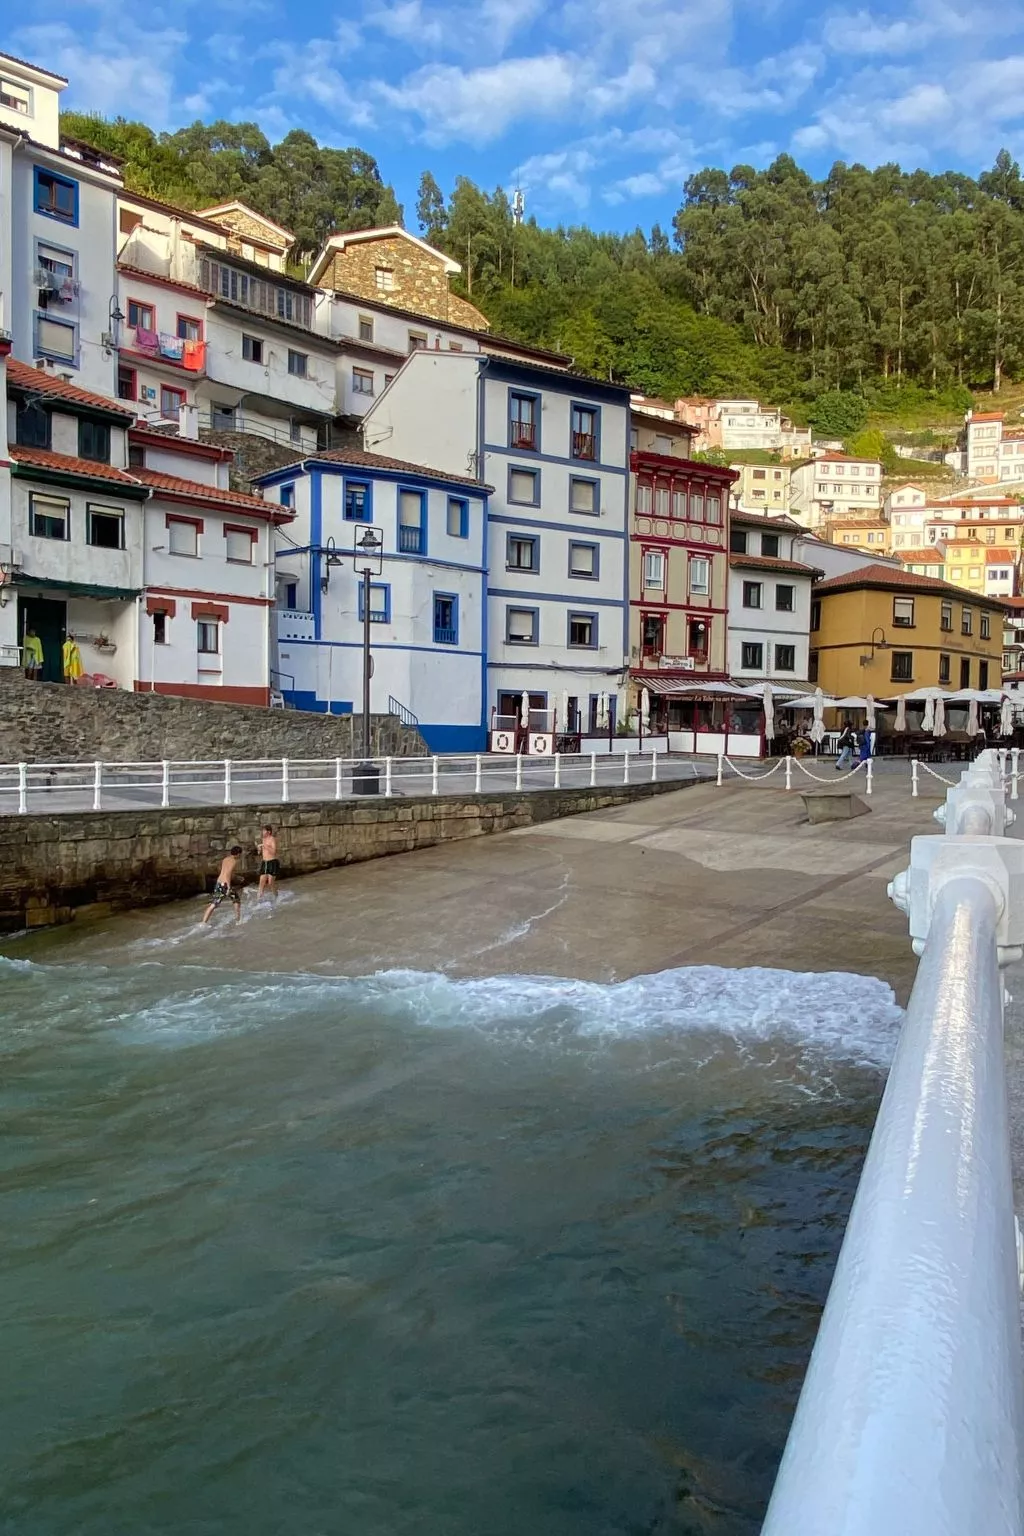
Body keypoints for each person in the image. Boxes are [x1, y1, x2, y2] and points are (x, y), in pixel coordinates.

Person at [202, 846, 244, 925]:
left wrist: (237, 877)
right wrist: (228, 887)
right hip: (225, 884)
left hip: (219, 883)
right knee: (236, 900)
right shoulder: (233, 861)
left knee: (214, 904)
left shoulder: (225, 859)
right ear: (238, 854)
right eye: (240, 854)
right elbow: (228, 874)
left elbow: (224, 872)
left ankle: (203, 922)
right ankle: (238, 920)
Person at [256, 824, 279, 902]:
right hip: (264, 862)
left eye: (264, 831)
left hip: (272, 862)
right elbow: (260, 853)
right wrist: (259, 849)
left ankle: (276, 897)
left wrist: (264, 845)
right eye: (262, 830)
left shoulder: (272, 839)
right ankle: (258, 901)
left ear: (268, 832)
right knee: (261, 883)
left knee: (270, 883)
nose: (262, 832)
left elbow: (274, 852)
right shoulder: (263, 839)